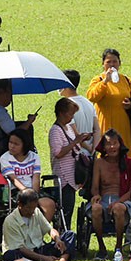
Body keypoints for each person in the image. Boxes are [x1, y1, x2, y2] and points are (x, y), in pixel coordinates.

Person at [89, 129, 131, 260]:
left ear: (120, 145)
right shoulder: (99, 163)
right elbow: (94, 187)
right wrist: (96, 195)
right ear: (104, 147)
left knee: (118, 208)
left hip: (123, 200)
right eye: (108, 144)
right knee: (95, 209)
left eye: (115, 143)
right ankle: (101, 248)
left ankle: (118, 247)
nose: (112, 147)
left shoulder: (130, 163)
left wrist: (118, 201)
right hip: (104, 198)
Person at [2, 189, 75, 261]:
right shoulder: (10, 221)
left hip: (39, 249)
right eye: (28, 208)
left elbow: (49, 229)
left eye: (33, 208)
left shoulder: (36, 212)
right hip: (25, 253)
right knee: (10, 255)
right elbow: (20, 248)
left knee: (70, 235)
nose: (31, 211)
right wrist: (44, 258)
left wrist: (57, 239)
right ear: (20, 204)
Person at [49, 97, 91, 229]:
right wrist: (75, 142)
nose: (72, 117)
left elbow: (74, 144)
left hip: (72, 175)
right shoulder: (55, 130)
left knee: (69, 208)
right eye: (70, 114)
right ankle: (63, 235)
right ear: (61, 113)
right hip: (64, 177)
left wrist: (81, 138)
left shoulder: (67, 127)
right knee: (65, 210)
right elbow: (58, 153)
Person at [0, 128, 57, 222]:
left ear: (24, 145)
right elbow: (13, 179)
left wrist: (34, 194)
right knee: (27, 204)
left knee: (49, 204)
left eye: (16, 144)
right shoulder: (5, 158)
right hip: (16, 191)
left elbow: (36, 177)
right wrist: (26, 192)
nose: (12, 146)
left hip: (33, 190)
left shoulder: (34, 157)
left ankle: (41, 229)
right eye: (10, 142)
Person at [86, 49, 131, 150]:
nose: (112, 64)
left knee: (124, 151)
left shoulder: (126, 80)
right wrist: (105, 81)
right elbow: (92, 97)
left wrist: (130, 104)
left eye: (115, 61)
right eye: (108, 62)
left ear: (119, 63)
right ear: (103, 64)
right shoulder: (98, 79)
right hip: (105, 124)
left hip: (123, 125)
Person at [0, 79, 37, 162]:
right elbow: (16, 134)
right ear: (0, 92)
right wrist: (29, 121)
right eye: (8, 91)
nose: (10, 95)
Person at [62, 69, 101, 151]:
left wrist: (89, 148)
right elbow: (97, 130)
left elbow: (74, 134)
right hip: (89, 153)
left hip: (75, 153)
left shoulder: (66, 106)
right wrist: (93, 150)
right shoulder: (88, 103)